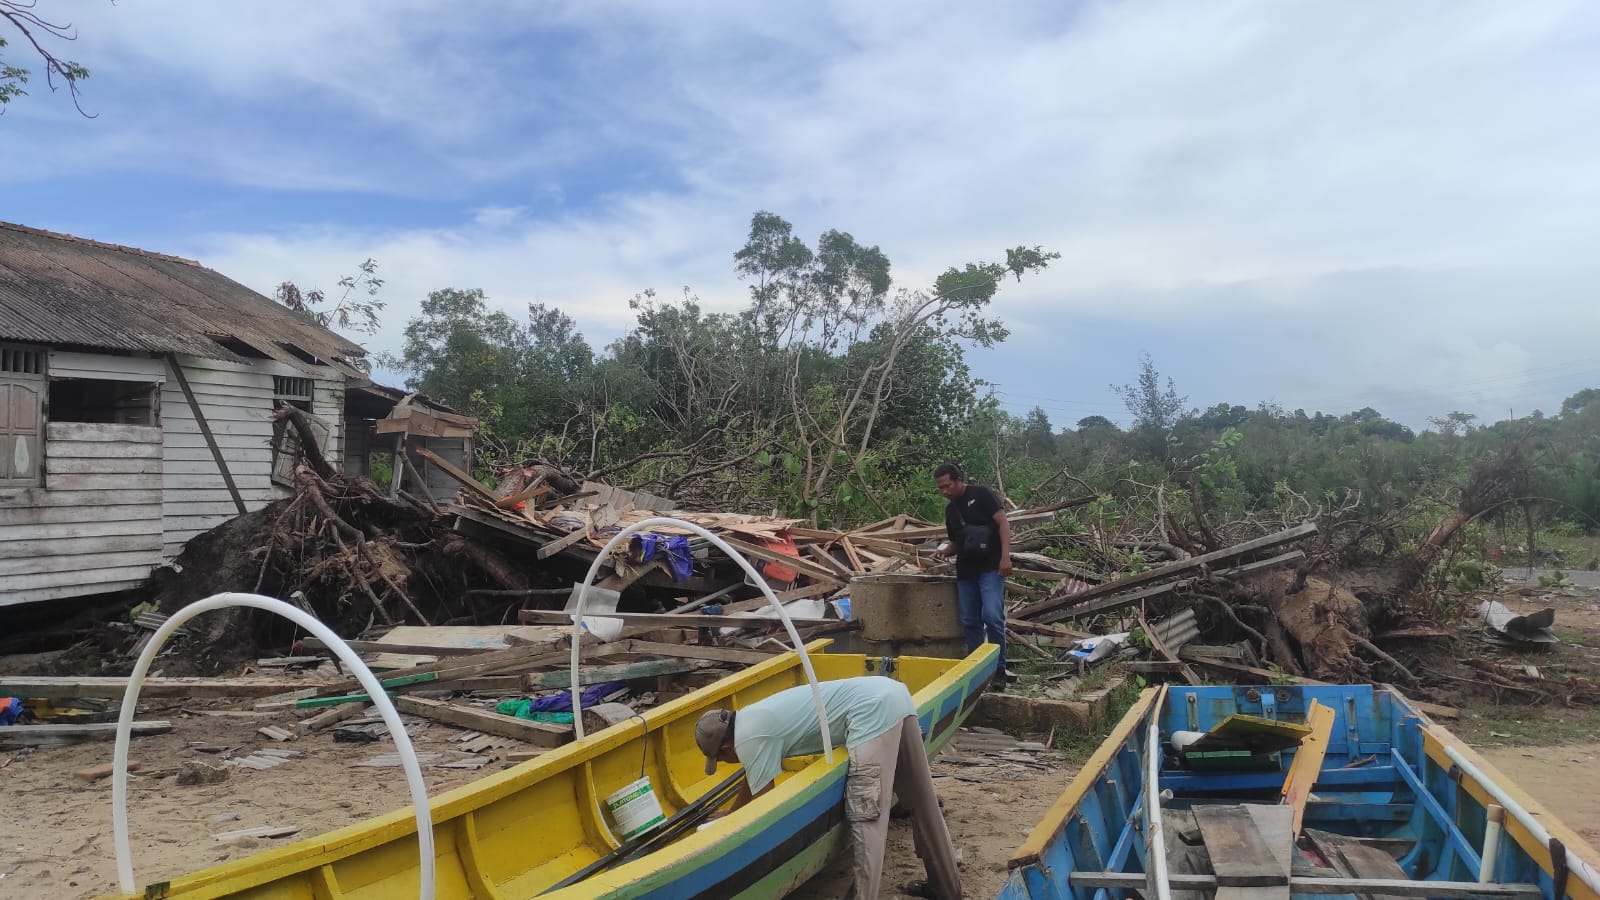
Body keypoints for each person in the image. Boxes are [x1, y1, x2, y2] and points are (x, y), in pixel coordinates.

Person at [695, 676, 962, 900]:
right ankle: (946, 887)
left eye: (720, 760)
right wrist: (731, 813)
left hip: (869, 712)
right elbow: (752, 781)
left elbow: (764, 798)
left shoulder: (748, 740)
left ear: (727, 748)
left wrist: (733, 828)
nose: (727, 763)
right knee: (923, 802)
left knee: (868, 817)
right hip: (893, 695)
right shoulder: (749, 719)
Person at [929, 462, 1013, 681]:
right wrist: (945, 552)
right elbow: (959, 541)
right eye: (940, 488)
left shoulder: (982, 494)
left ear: (958, 480)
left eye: (947, 486)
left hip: (991, 567)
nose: (945, 491)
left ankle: (999, 668)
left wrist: (1005, 557)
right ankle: (977, 670)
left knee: (992, 617)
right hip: (966, 571)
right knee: (970, 621)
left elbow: (1003, 523)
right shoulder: (951, 510)